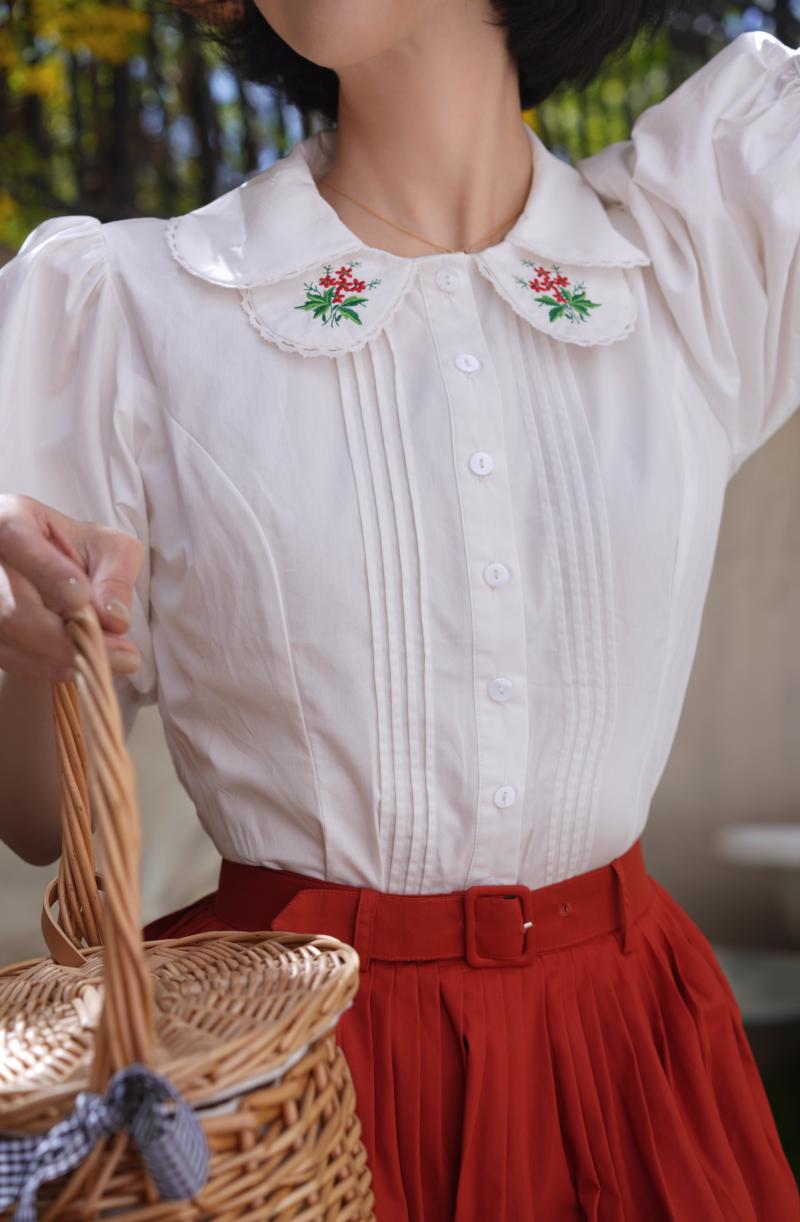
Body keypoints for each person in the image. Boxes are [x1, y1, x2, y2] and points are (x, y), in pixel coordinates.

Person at [0, 1, 798, 1217]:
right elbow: (39, 816)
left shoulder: (693, 255)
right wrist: (44, 652)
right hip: (292, 1083)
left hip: (632, 1062)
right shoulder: (133, 313)